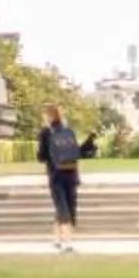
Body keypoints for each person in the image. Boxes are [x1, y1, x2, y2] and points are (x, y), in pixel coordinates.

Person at [35, 104, 84, 252]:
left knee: (61, 207)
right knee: (68, 205)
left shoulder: (45, 133)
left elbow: (41, 157)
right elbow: (76, 153)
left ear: (49, 117)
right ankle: (57, 239)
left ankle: (67, 242)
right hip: (71, 173)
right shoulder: (69, 131)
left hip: (56, 174)